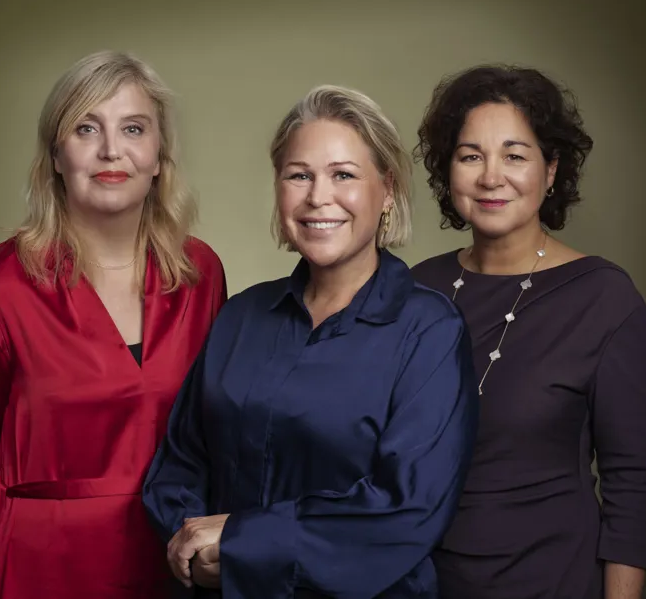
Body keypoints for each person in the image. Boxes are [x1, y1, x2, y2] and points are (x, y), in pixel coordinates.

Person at [143, 85, 479, 598]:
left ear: (386, 190)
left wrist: (242, 544)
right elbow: (180, 461)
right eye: (299, 175)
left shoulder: (429, 330)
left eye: (343, 175)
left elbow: (408, 507)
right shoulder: (242, 316)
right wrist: (192, 544)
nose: (318, 197)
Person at [0, 51, 227, 599]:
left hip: (169, 563)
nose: (112, 150)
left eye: (133, 128)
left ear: (159, 156)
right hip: (30, 569)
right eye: (87, 128)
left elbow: (210, 437)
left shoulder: (200, 273)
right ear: (56, 156)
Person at [410, 65, 646, 599]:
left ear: (551, 171)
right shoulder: (415, 289)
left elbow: (630, 489)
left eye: (515, 155)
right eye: (470, 155)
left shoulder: (604, 297)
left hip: (552, 580)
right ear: (448, 170)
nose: (490, 176)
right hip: (418, 583)